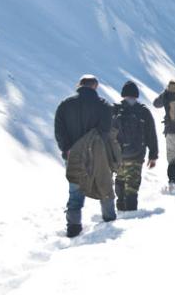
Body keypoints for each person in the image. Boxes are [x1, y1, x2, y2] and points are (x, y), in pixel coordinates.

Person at [54, 74, 115, 237]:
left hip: (73, 155)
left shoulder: (65, 105)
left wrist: (66, 149)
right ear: (95, 86)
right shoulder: (104, 106)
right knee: (104, 185)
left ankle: (73, 227)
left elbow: (59, 130)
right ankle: (109, 220)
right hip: (97, 155)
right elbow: (106, 131)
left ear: (79, 85)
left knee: (75, 190)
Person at [112, 81, 158, 211]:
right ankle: (131, 212)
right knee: (132, 184)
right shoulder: (143, 112)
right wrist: (153, 155)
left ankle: (120, 208)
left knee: (120, 180)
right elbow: (151, 135)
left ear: (123, 95)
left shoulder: (115, 110)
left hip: (119, 155)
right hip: (136, 155)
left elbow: (108, 134)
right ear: (136, 95)